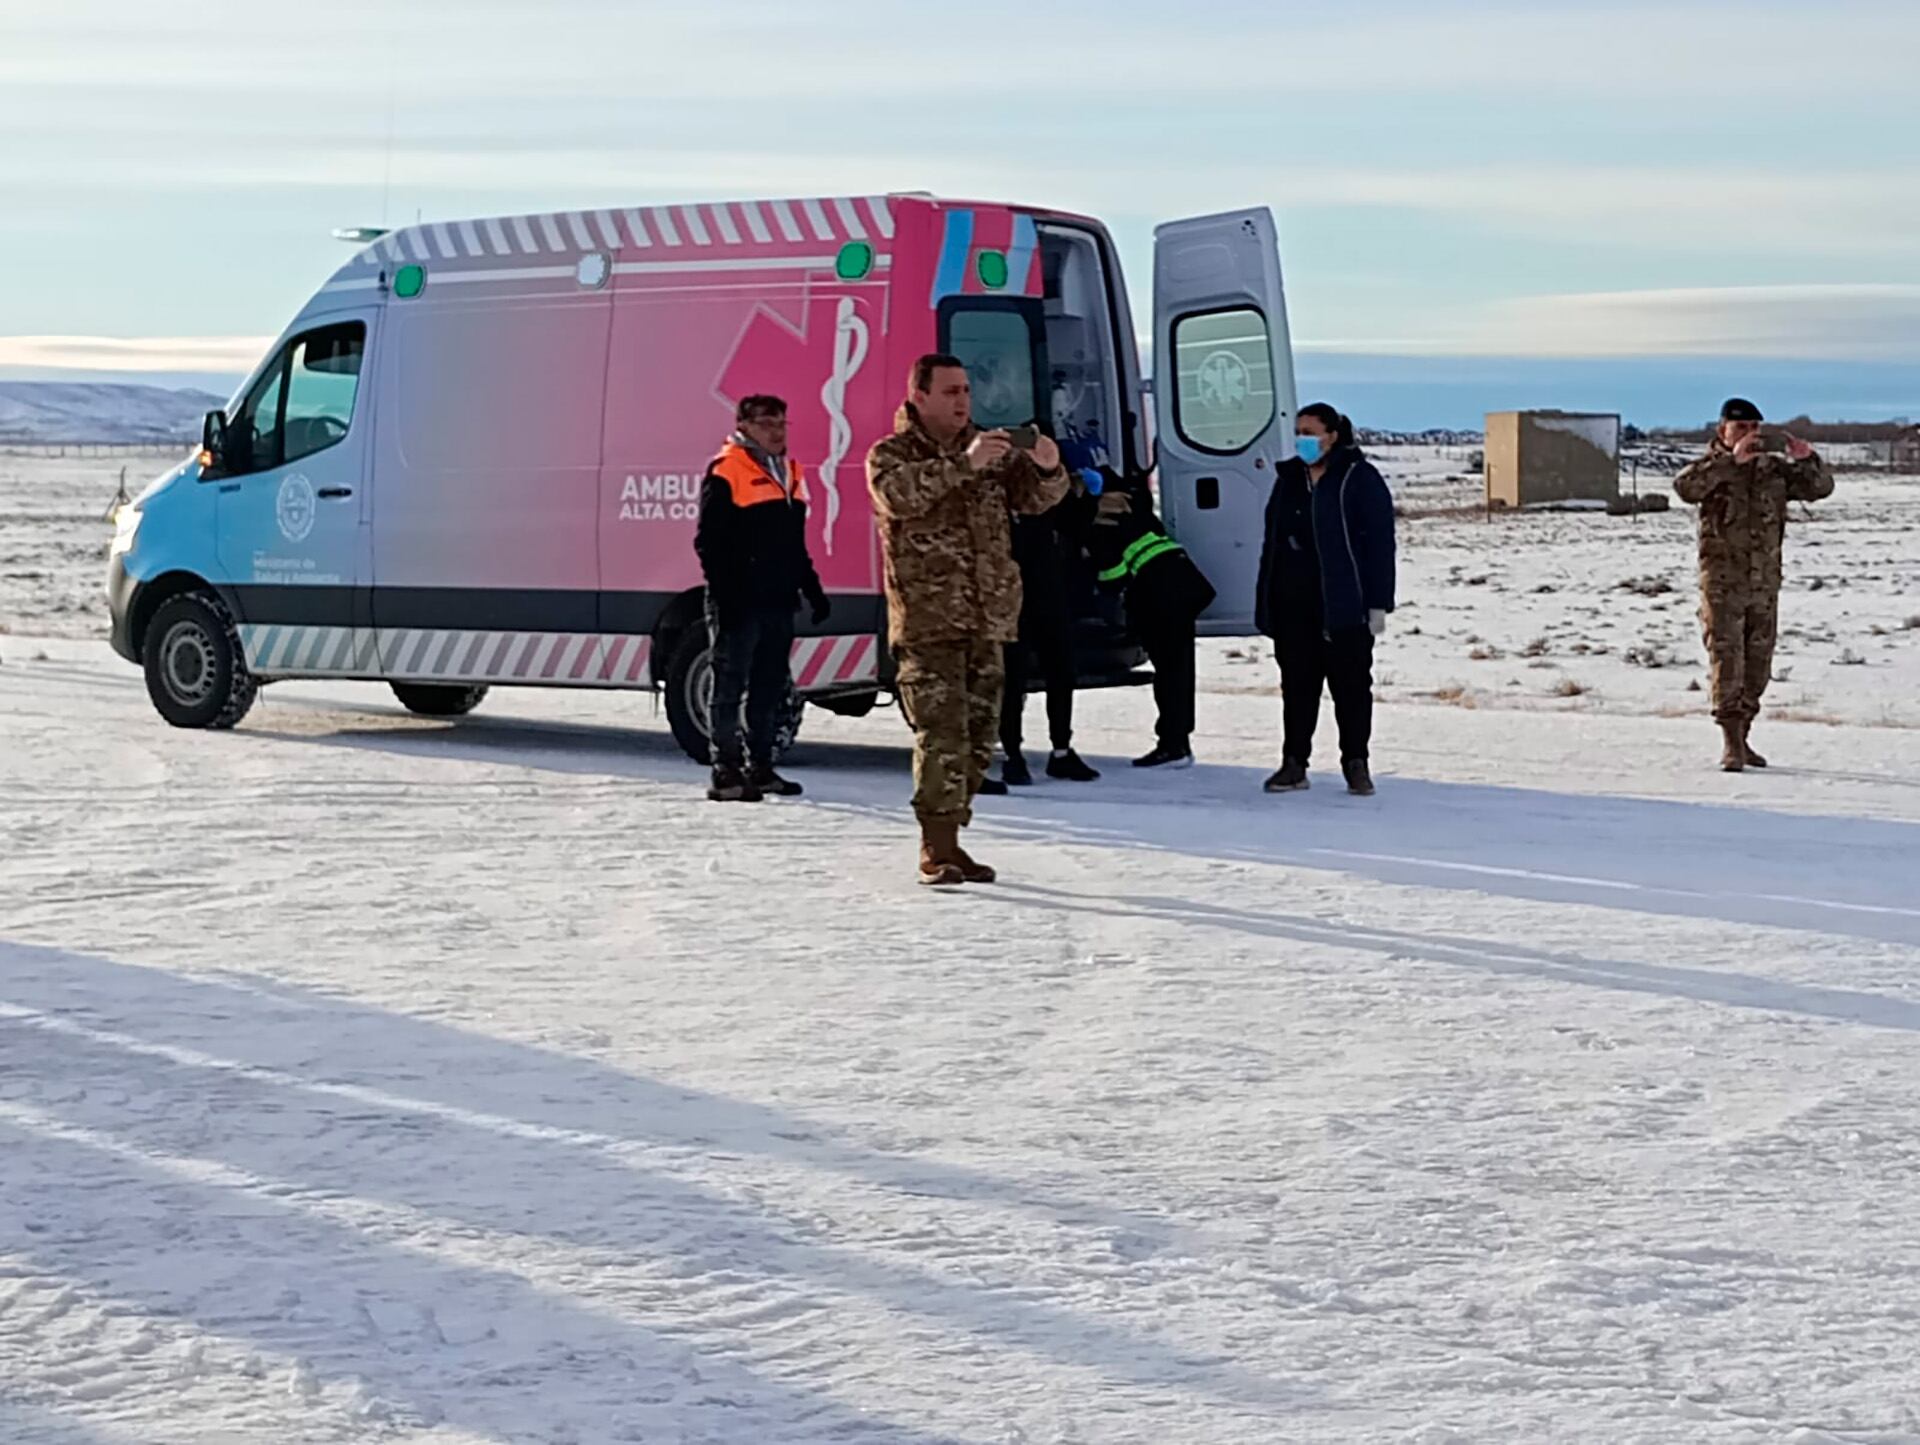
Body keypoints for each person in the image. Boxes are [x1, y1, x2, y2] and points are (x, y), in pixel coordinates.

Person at [866, 355, 1069, 885]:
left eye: (967, 392)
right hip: (929, 620)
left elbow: (1040, 499)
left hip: (987, 617)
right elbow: (897, 497)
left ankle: (952, 839)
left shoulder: (991, 452)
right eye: (951, 392)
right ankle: (935, 846)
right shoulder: (891, 454)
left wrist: (1049, 464)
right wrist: (963, 465)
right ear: (921, 396)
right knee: (943, 735)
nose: (962, 402)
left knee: (980, 739)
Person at [1674, 398, 1833, 771]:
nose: (1749, 435)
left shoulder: (1772, 470)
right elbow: (1686, 488)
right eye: (1741, 428)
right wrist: (1731, 461)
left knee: (1757, 665)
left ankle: (1744, 737)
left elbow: (1820, 488)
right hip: (1723, 584)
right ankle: (1730, 742)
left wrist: (1806, 458)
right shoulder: (1712, 468)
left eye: (1754, 429)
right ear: (1723, 431)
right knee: (1727, 660)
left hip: (1764, 583)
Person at [693, 395, 830, 802]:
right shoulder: (727, 470)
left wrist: (812, 588)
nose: (777, 431)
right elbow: (709, 544)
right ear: (745, 426)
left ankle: (762, 767)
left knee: (770, 687)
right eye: (767, 423)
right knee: (730, 683)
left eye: (782, 423)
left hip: (778, 600)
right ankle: (726, 771)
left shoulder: (789, 471)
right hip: (740, 601)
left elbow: (793, 543)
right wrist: (727, 598)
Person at [1254, 403, 1396, 797]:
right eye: (1299, 431)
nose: (1303, 439)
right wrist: (1266, 603)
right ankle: (1294, 763)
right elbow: (1272, 545)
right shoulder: (1289, 480)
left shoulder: (1358, 478)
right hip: (1293, 603)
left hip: (1343, 604)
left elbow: (1380, 544)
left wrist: (1378, 602)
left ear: (1332, 435)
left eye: (1311, 431)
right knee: (1298, 687)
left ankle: (1356, 763)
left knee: (1351, 688)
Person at [1084, 467, 1216, 769]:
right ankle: (1178, 741)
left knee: (1169, 672)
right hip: (1186, 585)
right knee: (1179, 670)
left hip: (1161, 596)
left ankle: (1173, 745)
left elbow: (1113, 576)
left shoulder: (1102, 526)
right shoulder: (1135, 508)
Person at [997, 481, 1101, 787]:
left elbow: (1075, 524)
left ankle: (1061, 750)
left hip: (1050, 593)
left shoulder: (1045, 488)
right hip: (1009, 597)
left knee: (1061, 671)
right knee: (1012, 678)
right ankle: (1012, 754)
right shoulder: (992, 491)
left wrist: (1089, 496)